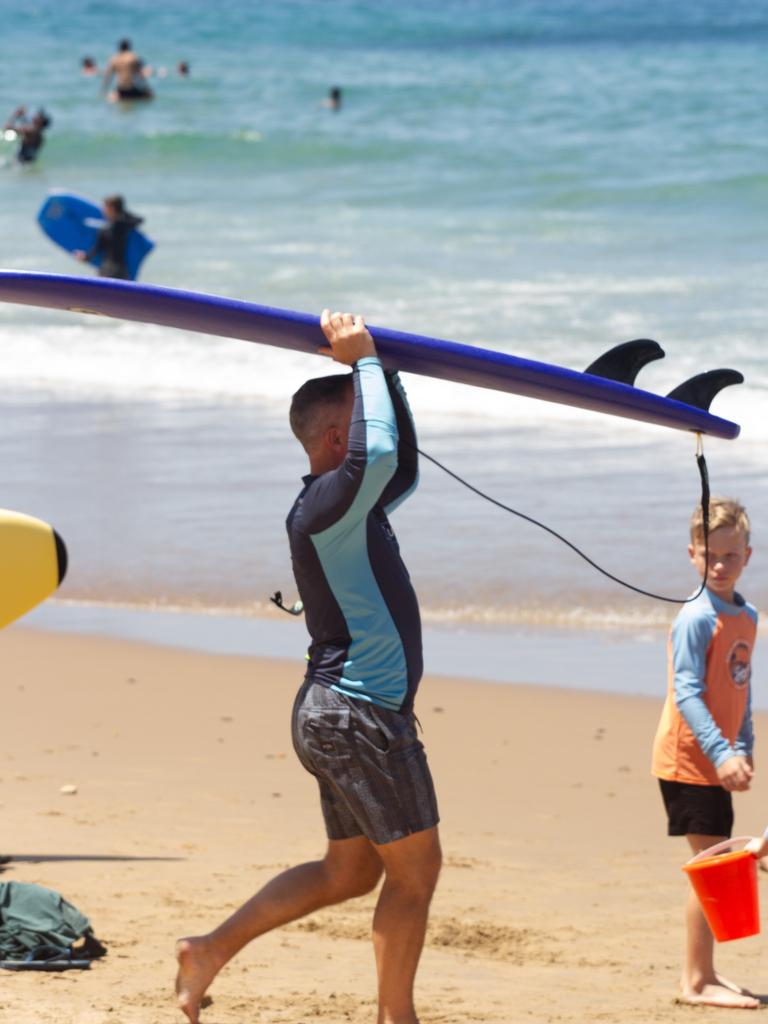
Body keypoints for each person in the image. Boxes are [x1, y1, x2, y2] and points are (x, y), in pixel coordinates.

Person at [175, 310, 441, 1024]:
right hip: (357, 716)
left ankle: (207, 950)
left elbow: (398, 462)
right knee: (415, 876)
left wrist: (381, 372)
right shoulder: (323, 508)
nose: (367, 432)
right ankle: (397, 1018)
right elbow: (378, 457)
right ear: (335, 439)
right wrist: (361, 363)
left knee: (349, 872)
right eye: (359, 421)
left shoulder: (352, 507)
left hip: (338, 715)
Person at [651, 497, 757, 1009]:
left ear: (748, 556)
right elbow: (687, 692)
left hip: (719, 759)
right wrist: (721, 752)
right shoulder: (696, 617)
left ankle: (705, 972)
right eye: (709, 555)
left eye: (729, 557)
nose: (719, 566)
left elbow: (741, 688)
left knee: (717, 862)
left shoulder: (745, 616)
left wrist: (745, 746)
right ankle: (695, 981)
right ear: (692, 554)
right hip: (689, 760)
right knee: (712, 867)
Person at [74, 195, 144, 280]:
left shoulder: (107, 229)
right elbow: (139, 219)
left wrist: (85, 257)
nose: (103, 210)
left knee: (102, 293)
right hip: (121, 269)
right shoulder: (124, 225)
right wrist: (121, 211)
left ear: (112, 208)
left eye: (105, 207)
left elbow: (97, 249)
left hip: (107, 269)